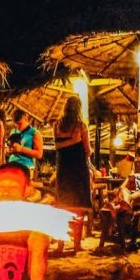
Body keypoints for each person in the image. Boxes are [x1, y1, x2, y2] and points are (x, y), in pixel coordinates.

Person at [53, 96, 93, 252]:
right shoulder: (80, 126)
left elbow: (57, 146)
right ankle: (76, 245)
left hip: (63, 169)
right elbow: (88, 151)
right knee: (79, 207)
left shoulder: (56, 125)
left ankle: (60, 245)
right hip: (78, 170)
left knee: (62, 207)